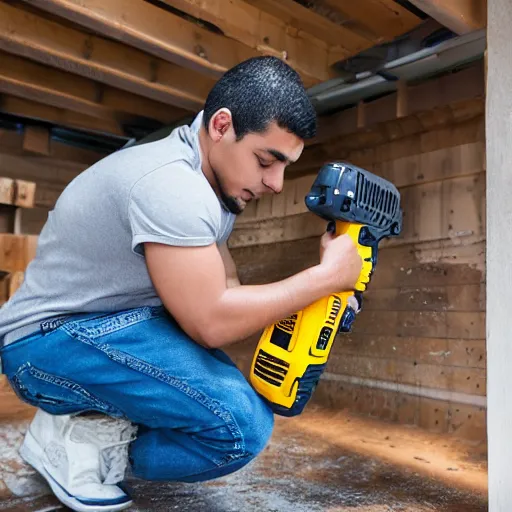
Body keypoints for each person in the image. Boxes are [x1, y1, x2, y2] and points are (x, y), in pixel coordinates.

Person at [0, 56, 362, 511]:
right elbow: (211, 321)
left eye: (285, 166)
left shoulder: (208, 189)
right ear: (221, 126)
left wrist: (319, 299)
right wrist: (325, 277)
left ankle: (88, 425)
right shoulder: (171, 186)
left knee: (230, 405)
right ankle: (78, 442)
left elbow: (228, 292)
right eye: (266, 161)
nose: (275, 183)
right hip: (46, 345)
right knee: (238, 426)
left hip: (101, 329)